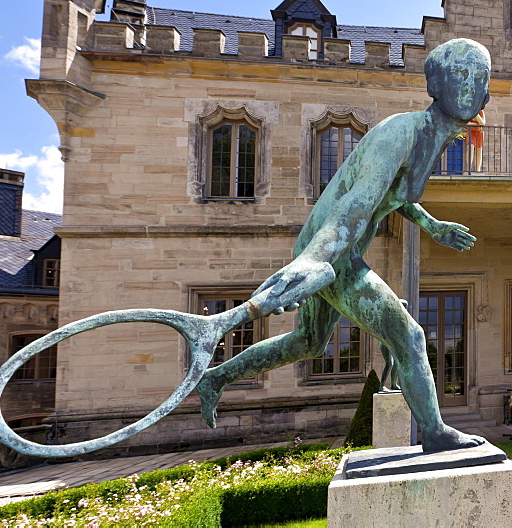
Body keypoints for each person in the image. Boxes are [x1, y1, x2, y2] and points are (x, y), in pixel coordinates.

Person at [196, 39, 491, 452]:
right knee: (410, 337)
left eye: (478, 77)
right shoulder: (399, 133)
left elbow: (396, 196)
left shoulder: (432, 140)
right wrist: (315, 259)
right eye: (460, 74)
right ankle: (437, 433)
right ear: (435, 84)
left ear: (486, 93)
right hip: (333, 249)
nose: (470, 84)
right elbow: (358, 203)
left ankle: (215, 377)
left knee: (308, 343)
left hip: (330, 247)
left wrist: (431, 224)